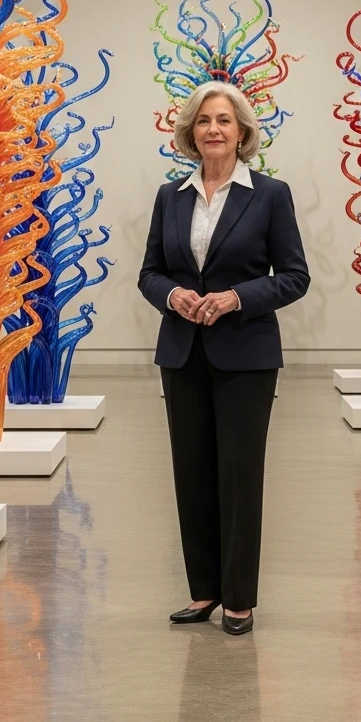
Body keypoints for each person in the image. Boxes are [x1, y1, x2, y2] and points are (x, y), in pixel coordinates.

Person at [138, 82, 310, 634]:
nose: (213, 129)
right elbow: (149, 273)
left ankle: (238, 598)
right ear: (191, 132)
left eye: (224, 121)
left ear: (242, 133)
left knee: (238, 476)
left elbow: (295, 277)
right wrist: (173, 295)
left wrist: (237, 297)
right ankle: (204, 591)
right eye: (204, 121)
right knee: (191, 474)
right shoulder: (171, 196)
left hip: (246, 355)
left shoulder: (270, 195)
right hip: (181, 352)